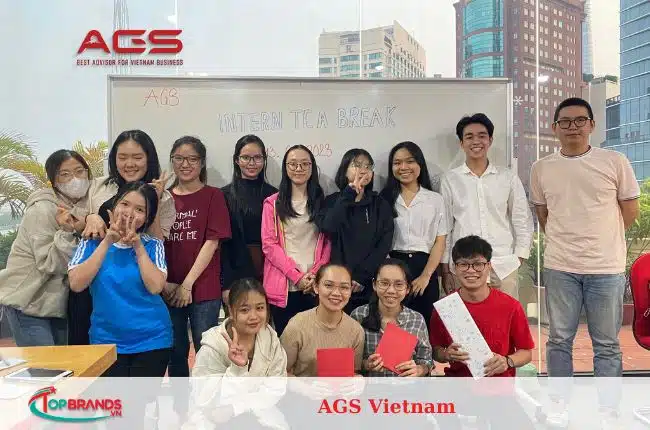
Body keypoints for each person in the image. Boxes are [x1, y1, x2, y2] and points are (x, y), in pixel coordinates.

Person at [530, 97, 639, 424]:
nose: (572, 127)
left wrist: (602, 239)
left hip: (605, 268)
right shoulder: (542, 168)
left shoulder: (614, 161)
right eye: (565, 121)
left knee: (606, 343)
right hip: (560, 266)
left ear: (592, 125)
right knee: (559, 340)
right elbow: (543, 214)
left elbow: (629, 211)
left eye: (580, 120)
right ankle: (559, 404)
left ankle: (608, 409)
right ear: (554, 128)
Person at [68, 129, 175, 346]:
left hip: (134, 285)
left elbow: (158, 243)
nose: (130, 164)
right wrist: (90, 217)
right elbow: (74, 220)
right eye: (122, 157)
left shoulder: (163, 195)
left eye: (137, 157)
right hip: (95, 282)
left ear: (149, 159)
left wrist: (154, 200)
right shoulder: (98, 187)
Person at [429, 235, 535, 429]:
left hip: (498, 391)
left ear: (489, 266)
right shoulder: (446, 307)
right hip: (458, 388)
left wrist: (507, 361)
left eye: (478, 264)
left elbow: (526, 352)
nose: (471, 270)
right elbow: (436, 351)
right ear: (454, 268)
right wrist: (446, 354)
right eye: (463, 264)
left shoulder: (510, 306)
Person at [68, 182, 172, 377]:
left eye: (140, 209)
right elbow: (76, 284)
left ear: (147, 217)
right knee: (113, 397)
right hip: (106, 341)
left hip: (152, 340)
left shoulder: (153, 245)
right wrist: (107, 241)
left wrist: (138, 246)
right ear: (114, 206)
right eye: (125, 204)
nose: (129, 213)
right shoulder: (91, 242)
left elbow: (156, 287)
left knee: (140, 398)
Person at [0, 150, 91, 346]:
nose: (75, 179)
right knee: (45, 364)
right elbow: (49, 263)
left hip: (55, 306)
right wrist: (67, 231)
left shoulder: (80, 207)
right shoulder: (42, 209)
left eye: (79, 171)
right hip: (29, 304)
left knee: (62, 363)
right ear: (53, 181)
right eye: (65, 174)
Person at [440, 113, 533, 300]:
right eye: (469, 137)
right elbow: (445, 226)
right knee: (466, 318)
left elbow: (522, 219)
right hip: (464, 266)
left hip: (503, 264)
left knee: (505, 317)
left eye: (482, 136)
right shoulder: (450, 179)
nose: (476, 141)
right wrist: (445, 268)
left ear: (490, 140)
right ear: (461, 143)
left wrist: (518, 257)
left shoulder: (507, 177)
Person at [163, 136, 231, 379]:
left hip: (203, 288)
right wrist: (167, 285)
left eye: (192, 159)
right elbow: (155, 241)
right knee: (175, 351)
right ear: (172, 161)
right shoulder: (163, 197)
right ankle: (181, 402)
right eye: (179, 158)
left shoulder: (213, 195)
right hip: (169, 287)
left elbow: (212, 242)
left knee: (206, 352)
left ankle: (207, 402)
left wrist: (187, 284)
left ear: (201, 163)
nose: (185, 164)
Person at [261, 145, 330, 336]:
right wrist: (296, 277)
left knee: (315, 341)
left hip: (315, 284)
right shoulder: (272, 203)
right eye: (293, 164)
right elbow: (269, 245)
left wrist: (315, 274)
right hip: (285, 284)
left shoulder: (322, 202)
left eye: (304, 164)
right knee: (286, 342)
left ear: (312, 167)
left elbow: (328, 243)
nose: (298, 168)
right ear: (285, 167)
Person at [379, 141, 447, 324]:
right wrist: (391, 275)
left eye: (410, 161)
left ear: (420, 164)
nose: (403, 167)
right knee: (393, 323)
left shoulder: (435, 200)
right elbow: (378, 240)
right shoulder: (383, 199)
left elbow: (440, 241)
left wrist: (426, 276)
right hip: (392, 265)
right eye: (397, 163)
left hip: (424, 267)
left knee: (424, 322)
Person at [319, 149, 394, 313]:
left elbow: (384, 243)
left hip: (369, 282)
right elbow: (328, 227)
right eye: (357, 165)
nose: (363, 170)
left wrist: (362, 276)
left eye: (368, 166)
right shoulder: (332, 201)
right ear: (345, 170)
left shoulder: (379, 204)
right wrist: (349, 193)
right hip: (337, 283)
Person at [221, 135, 278, 310]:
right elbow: (222, 245)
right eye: (246, 157)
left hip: (270, 269)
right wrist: (226, 284)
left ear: (264, 160)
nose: (252, 163)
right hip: (235, 271)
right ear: (236, 160)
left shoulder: (275, 195)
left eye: (257, 157)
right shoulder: (223, 195)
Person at [350, 258, 433, 377]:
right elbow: (350, 361)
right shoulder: (358, 315)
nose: (391, 290)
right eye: (384, 283)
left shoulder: (416, 319)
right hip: (370, 387)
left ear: (408, 288)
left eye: (399, 285)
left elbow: (427, 360)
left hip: (405, 387)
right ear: (374, 284)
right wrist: (366, 364)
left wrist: (420, 369)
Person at [280, 263, 365, 376]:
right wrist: (303, 385)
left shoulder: (356, 330)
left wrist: (357, 380)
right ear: (316, 287)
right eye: (329, 285)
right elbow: (280, 372)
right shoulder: (297, 325)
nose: (336, 293)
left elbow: (354, 372)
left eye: (344, 287)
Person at [192, 277, 287, 377]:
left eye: (260, 308)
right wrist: (237, 369)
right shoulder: (213, 346)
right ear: (231, 311)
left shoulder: (270, 338)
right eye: (244, 310)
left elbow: (278, 381)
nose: (254, 316)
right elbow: (204, 386)